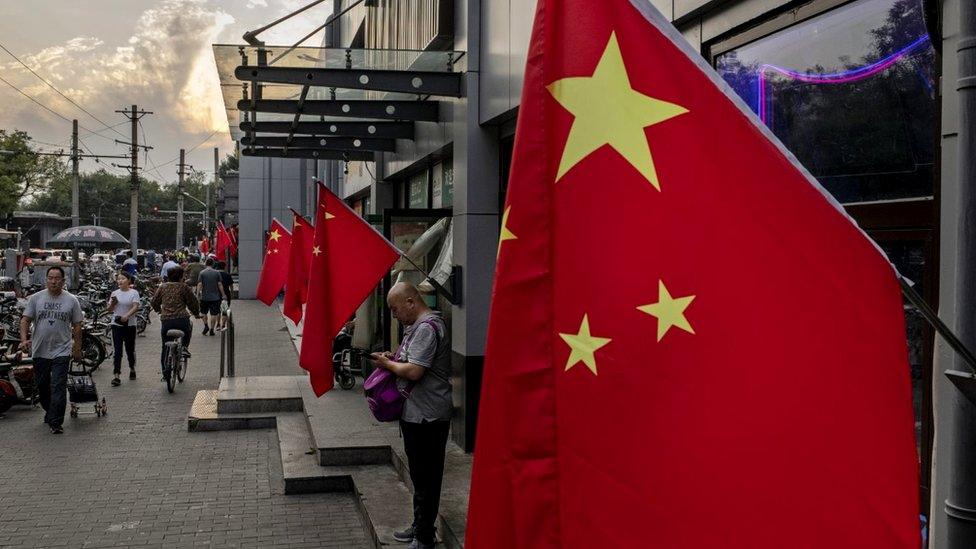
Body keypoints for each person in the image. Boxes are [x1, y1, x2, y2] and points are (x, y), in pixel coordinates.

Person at [370, 282, 452, 549]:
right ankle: (419, 525)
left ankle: (424, 536)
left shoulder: (428, 328)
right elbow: (407, 360)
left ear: (410, 302)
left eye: (395, 309)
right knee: (419, 475)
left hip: (429, 415)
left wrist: (387, 364)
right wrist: (392, 357)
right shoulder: (414, 328)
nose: (394, 315)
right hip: (416, 414)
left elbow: (415, 371)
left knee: (428, 476)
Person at [18, 266, 84, 435]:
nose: (53, 281)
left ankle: (56, 422)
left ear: (63, 281)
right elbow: (25, 320)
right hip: (40, 350)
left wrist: (77, 348)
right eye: (50, 278)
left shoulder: (71, 300)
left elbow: (77, 325)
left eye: (57, 278)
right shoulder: (36, 298)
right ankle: (50, 411)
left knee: (58, 386)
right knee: (43, 386)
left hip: (62, 350)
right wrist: (24, 339)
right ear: (46, 279)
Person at [150, 266, 200, 382]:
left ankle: (165, 373)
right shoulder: (184, 287)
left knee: (164, 346)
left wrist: (159, 310)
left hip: (166, 321)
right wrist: (196, 313)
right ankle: (184, 347)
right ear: (181, 277)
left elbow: (154, 302)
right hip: (182, 319)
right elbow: (193, 302)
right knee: (189, 326)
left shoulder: (162, 287)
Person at [105, 271, 139, 386]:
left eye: (123, 278)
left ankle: (132, 368)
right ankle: (116, 375)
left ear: (129, 280)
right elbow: (109, 309)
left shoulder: (134, 293)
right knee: (117, 350)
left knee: (130, 349)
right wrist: (113, 303)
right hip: (116, 325)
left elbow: (135, 306)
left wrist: (127, 316)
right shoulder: (114, 293)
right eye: (118, 279)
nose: (120, 281)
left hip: (130, 325)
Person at [196, 258, 224, 336]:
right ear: (213, 264)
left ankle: (206, 326)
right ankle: (212, 329)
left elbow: (200, 284)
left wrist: (198, 294)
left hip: (204, 297)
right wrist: (223, 294)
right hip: (215, 297)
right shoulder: (217, 272)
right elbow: (219, 284)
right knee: (214, 314)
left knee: (203, 312)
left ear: (206, 263)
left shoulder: (202, 273)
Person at [215, 261, 234, 331]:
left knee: (217, 310)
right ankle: (223, 325)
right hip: (226, 294)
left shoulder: (215, 274)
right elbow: (231, 285)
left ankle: (217, 325)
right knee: (225, 310)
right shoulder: (227, 275)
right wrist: (232, 293)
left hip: (216, 294)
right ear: (224, 267)